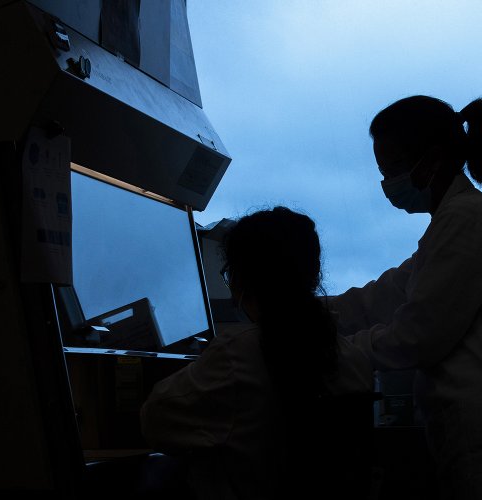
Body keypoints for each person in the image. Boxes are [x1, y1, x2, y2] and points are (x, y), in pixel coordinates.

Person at [330, 95, 482, 500]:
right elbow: (386, 294)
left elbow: (417, 337)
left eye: (392, 169)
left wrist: (329, 349)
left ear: (432, 159)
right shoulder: (450, 223)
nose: (387, 183)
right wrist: (313, 313)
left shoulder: (468, 220)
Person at [140, 207, 373, 499]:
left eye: (230, 274)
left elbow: (155, 421)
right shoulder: (354, 360)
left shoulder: (235, 357)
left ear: (243, 280)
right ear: (313, 277)